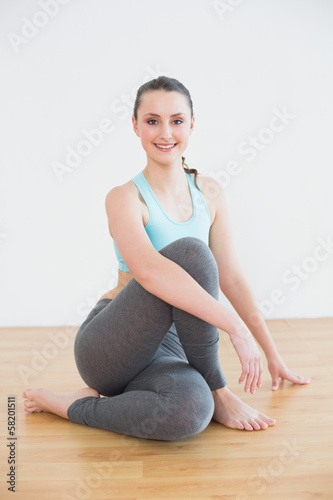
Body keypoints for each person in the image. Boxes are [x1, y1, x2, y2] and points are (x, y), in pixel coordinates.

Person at [22, 76, 311, 441]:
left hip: (169, 345)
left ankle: (83, 406)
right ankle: (219, 390)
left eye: (176, 120)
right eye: (152, 120)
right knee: (192, 254)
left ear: (192, 125)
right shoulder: (124, 198)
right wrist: (235, 329)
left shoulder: (210, 193)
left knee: (191, 409)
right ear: (135, 126)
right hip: (109, 344)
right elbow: (150, 273)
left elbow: (232, 278)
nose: (165, 132)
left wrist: (272, 354)